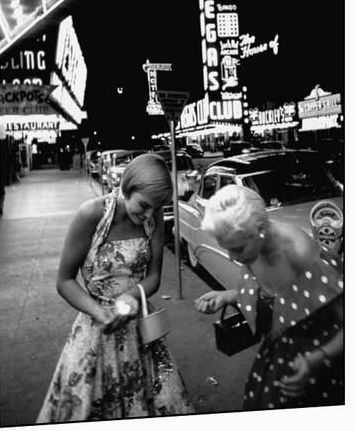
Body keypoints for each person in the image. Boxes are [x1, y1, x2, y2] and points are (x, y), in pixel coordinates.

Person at [37, 153, 193, 423]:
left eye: (153, 208)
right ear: (127, 186)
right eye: (143, 205)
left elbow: (154, 278)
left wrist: (132, 297)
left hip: (140, 329)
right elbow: (64, 281)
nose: (146, 215)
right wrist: (100, 313)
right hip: (95, 328)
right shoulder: (91, 214)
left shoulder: (153, 215)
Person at [194, 184, 343, 411]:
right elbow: (279, 300)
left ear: (260, 228)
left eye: (238, 249)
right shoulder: (256, 243)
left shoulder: (302, 254)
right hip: (280, 358)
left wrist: (319, 358)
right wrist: (229, 297)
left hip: (318, 371)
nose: (233, 258)